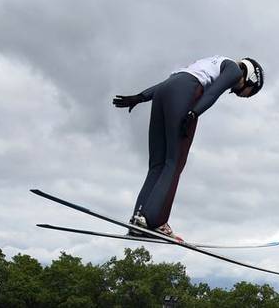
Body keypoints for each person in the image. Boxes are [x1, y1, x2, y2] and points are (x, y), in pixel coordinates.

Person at [112, 56, 264, 241]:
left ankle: (139, 220)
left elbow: (171, 83)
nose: (245, 96)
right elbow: (212, 93)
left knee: (157, 164)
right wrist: (194, 112)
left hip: (163, 91)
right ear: (251, 78)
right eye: (250, 92)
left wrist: (141, 96)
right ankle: (156, 221)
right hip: (185, 93)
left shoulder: (212, 63)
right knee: (174, 163)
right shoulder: (234, 70)